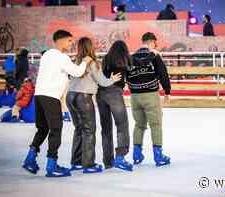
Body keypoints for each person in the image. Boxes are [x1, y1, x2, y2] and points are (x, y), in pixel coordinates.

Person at [22, 29, 92, 177]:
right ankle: (51, 165)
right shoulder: (62, 57)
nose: (71, 43)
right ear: (60, 40)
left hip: (39, 96)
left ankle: (30, 158)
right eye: (69, 41)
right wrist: (85, 61)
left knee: (42, 129)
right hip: (51, 97)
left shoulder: (47, 55)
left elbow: (60, 73)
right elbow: (78, 72)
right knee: (56, 129)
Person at [67, 37, 121, 174]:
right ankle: (89, 164)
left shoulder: (76, 62)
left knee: (79, 129)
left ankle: (76, 162)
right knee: (89, 130)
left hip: (70, 96)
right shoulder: (91, 62)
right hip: (83, 98)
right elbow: (102, 81)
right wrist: (113, 79)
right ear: (91, 47)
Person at [127, 32, 171, 167]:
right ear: (152, 42)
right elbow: (163, 74)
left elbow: (126, 75)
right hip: (151, 95)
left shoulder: (131, 57)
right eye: (155, 43)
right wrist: (167, 91)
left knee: (139, 125)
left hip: (134, 96)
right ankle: (158, 155)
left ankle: (136, 154)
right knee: (155, 125)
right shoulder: (155, 56)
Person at [96, 40, 133, 171]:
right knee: (122, 125)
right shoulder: (125, 59)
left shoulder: (106, 58)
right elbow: (130, 76)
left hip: (100, 93)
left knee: (106, 128)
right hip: (114, 93)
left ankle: (108, 161)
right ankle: (120, 157)